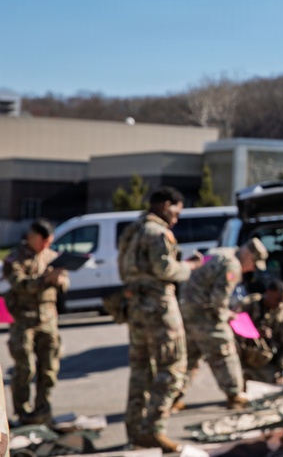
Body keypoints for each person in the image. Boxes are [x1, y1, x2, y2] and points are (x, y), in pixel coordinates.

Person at [118, 186, 202, 452]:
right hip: (159, 307)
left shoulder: (133, 230)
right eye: (176, 212)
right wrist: (188, 266)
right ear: (166, 205)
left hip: (136, 307)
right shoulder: (157, 232)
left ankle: (135, 429)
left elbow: (123, 269)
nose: (176, 219)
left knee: (141, 368)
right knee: (173, 367)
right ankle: (154, 429)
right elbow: (164, 268)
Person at [176, 237, 268, 410]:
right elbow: (218, 301)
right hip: (204, 316)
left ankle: (172, 398)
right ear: (248, 256)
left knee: (189, 359)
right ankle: (235, 395)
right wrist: (229, 316)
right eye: (254, 264)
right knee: (225, 351)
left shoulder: (221, 253)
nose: (252, 269)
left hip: (187, 312)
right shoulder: (232, 266)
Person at [2, 220, 68, 426]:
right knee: (25, 369)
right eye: (45, 241)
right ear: (34, 237)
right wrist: (45, 280)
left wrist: (59, 281)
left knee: (49, 368)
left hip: (48, 320)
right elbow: (19, 284)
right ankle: (23, 413)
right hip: (23, 321)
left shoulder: (52, 257)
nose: (48, 245)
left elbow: (65, 284)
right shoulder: (15, 258)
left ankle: (43, 411)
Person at [238, 279, 283, 386]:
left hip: (267, 362)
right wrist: (254, 333)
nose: (280, 304)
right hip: (244, 359)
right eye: (278, 299)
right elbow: (235, 327)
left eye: (282, 301)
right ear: (268, 293)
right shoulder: (248, 306)